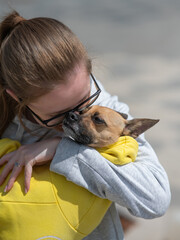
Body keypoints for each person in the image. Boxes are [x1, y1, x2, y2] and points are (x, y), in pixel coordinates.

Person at [0, 11, 171, 240]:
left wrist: (63, 150)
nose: (75, 116)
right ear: (15, 97)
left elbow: (154, 200)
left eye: (83, 103)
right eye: (60, 115)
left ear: (89, 72)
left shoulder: (105, 109)